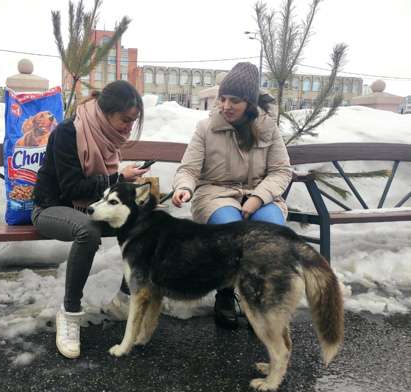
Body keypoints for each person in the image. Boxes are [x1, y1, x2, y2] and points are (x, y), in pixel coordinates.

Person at [32, 80, 149, 359]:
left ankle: (123, 299)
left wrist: (128, 184)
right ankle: (69, 314)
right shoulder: (68, 132)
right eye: (125, 120)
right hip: (50, 207)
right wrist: (118, 177)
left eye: (133, 122)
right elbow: (72, 188)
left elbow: (102, 188)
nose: (128, 128)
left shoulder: (107, 136)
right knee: (88, 231)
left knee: (146, 221)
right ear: (107, 112)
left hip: (90, 207)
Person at [171, 62, 292, 329]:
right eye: (222, 99)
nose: (226, 106)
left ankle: (259, 298)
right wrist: (184, 187)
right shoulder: (206, 128)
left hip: (258, 193)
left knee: (270, 229)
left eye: (234, 101)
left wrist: (259, 198)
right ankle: (225, 294)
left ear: (249, 102)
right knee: (228, 227)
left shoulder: (268, 128)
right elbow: (189, 168)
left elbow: (281, 171)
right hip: (215, 193)